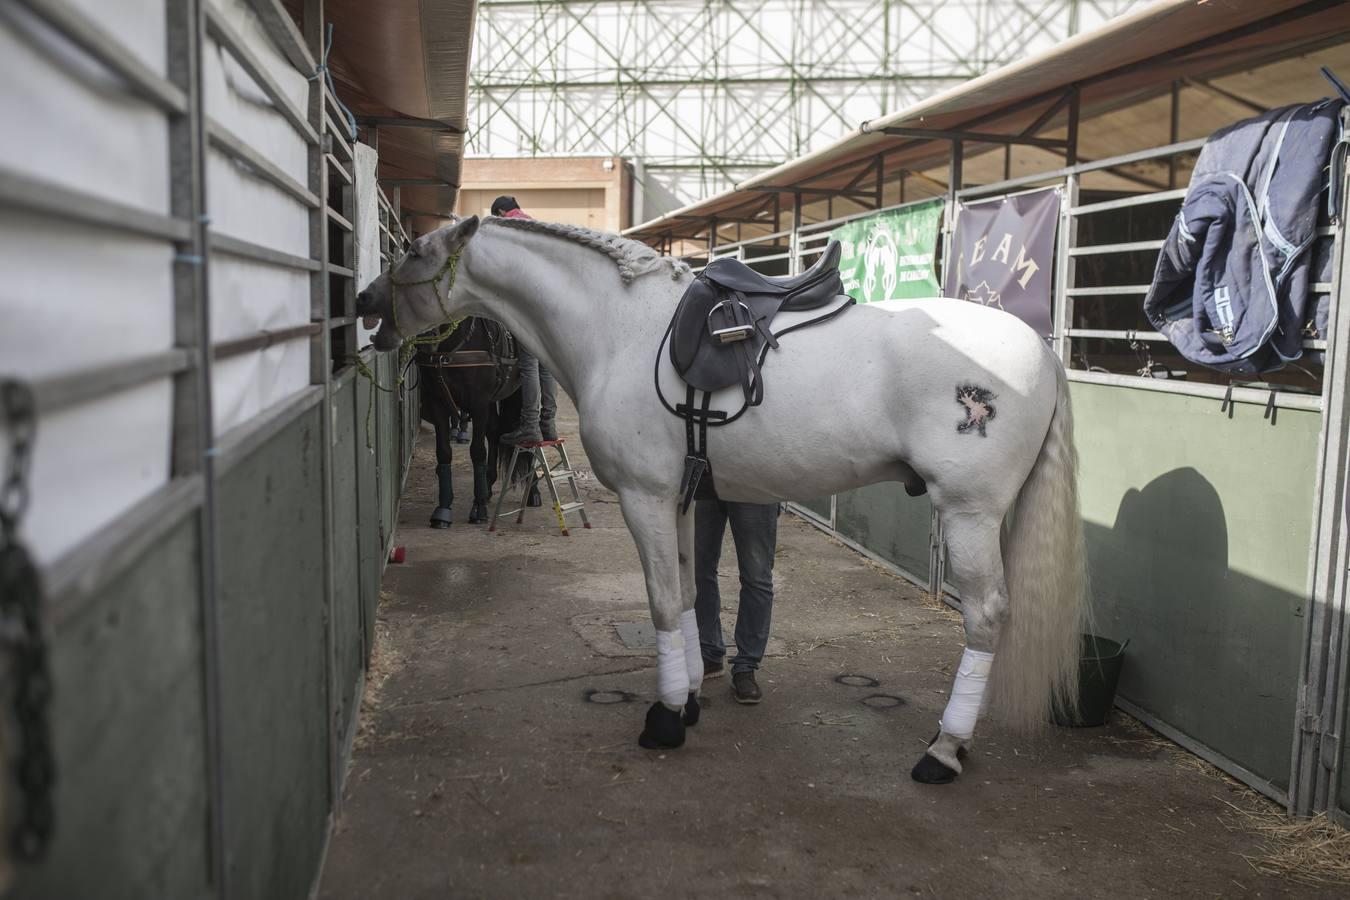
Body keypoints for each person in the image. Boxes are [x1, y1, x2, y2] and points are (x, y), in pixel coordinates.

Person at [693, 499, 780, 704]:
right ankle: (709, 653)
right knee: (697, 571)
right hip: (706, 478)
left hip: (753, 484)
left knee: (757, 576)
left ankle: (746, 666)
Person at [490, 195, 558, 444]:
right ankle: (548, 425)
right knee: (546, 367)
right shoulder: (535, 226)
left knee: (529, 366)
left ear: (499, 212)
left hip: (526, 306)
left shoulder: (507, 228)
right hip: (546, 308)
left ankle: (530, 425)